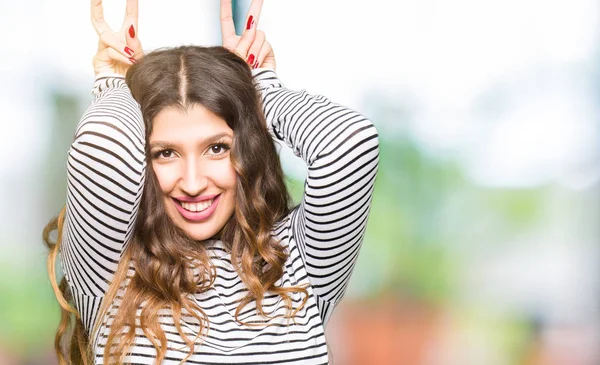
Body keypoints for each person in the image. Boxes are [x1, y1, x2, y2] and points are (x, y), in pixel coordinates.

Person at [43, 0, 379, 363]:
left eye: (217, 148)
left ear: (247, 147)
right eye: (165, 153)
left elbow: (350, 142)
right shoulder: (109, 265)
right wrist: (116, 84)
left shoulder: (300, 259)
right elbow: (102, 146)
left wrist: (258, 90)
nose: (192, 182)